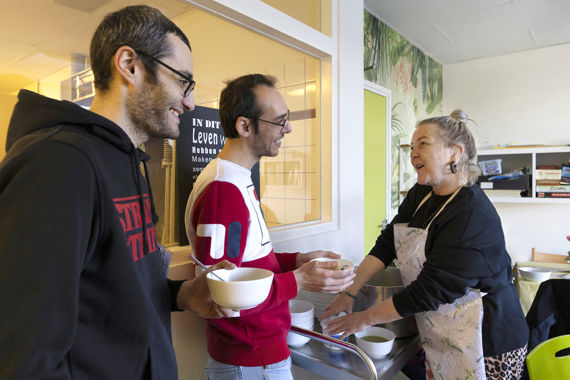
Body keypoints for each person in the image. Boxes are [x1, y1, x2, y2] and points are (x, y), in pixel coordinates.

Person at [0, 5, 234, 379]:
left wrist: (182, 293)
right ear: (129, 64)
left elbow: (115, 286)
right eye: (183, 81)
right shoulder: (58, 163)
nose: (189, 102)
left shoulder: (130, 161)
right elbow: (23, 358)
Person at [321, 110, 529, 380]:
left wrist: (362, 319)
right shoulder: (421, 194)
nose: (413, 153)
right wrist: (348, 294)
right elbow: (387, 244)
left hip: (488, 338)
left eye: (423, 143)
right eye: (412, 145)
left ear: (455, 152)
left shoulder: (471, 213)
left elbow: (429, 291)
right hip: (443, 328)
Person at [185, 73, 356, 379]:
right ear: (245, 126)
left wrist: (297, 262)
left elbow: (246, 265)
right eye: (279, 121)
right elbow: (220, 295)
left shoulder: (236, 180)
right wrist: (299, 281)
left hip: (258, 358)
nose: (288, 128)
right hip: (249, 362)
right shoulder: (224, 191)